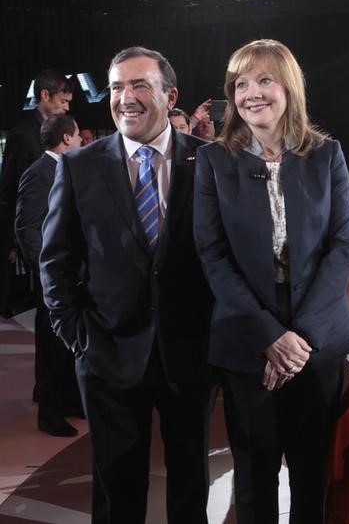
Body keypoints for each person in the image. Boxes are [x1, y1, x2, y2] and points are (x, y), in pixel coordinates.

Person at [40, 46, 214, 524]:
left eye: (139, 85)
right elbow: (55, 262)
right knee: (117, 494)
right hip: (107, 356)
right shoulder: (79, 167)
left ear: (169, 94)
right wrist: (79, 338)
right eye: (117, 86)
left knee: (189, 489)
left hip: (190, 357)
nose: (125, 97)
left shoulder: (213, 162)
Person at [193, 38, 349, 523]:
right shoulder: (213, 161)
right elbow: (213, 254)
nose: (251, 92)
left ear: (289, 87)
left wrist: (300, 340)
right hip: (248, 340)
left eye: (264, 79)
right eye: (240, 83)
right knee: (254, 477)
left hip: (318, 337)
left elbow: (342, 245)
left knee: (313, 476)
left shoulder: (327, 155)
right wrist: (271, 338)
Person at [15, 114, 84, 437]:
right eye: (78, 136)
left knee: (65, 345)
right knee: (50, 348)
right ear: (67, 138)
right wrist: (46, 272)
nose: (83, 140)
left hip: (69, 276)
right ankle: (50, 415)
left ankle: (68, 402)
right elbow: (27, 227)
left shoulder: (63, 169)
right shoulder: (38, 173)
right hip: (51, 278)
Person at [0, 69, 73, 318]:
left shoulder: (60, 130)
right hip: (34, 236)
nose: (65, 108)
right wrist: (12, 241)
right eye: (63, 101)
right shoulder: (21, 135)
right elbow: (9, 188)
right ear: (45, 95)